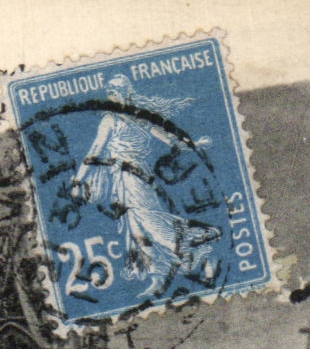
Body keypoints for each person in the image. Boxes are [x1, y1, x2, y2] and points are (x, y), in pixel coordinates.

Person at [68, 75, 217, 297]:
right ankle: (158, 278)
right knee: (138, 232)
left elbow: (95, 152)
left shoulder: (125, 120)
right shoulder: (123, 119)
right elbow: (95, 152)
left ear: (123, 94)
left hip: (133, 179)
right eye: (110, 94)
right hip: (123, 181)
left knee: (154, 226)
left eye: (114, 93)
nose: (112, 98)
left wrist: (78, 180)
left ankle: (201, 254)